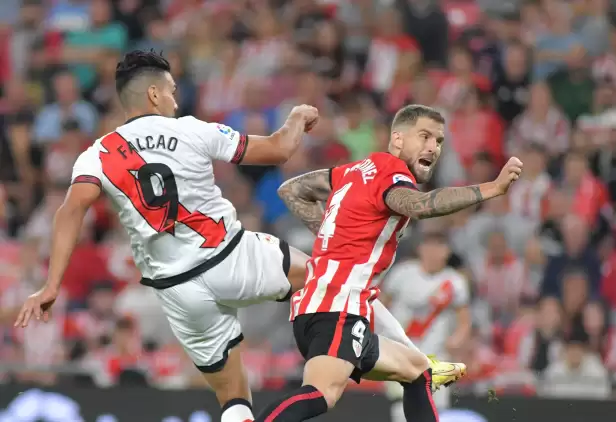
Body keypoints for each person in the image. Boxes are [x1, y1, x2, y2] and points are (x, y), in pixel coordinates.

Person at [12, 51, 458, 422]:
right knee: (329, 275)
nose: (175, 99)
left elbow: (70, 212)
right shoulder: (191, 129)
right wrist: (297, 118)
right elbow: (279, 149)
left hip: (178, 290)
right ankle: (414, 358)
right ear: (154, 93)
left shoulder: (97, 154)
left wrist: (51, 285)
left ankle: (388, 361)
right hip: (229, 256)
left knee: (233, 397)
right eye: (171, 90)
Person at [269, 104, 523, 421]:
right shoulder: (393, 174)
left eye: (439, 141)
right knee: (322, 394)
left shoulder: (355, 171)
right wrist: (492, 188)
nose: (433, 147)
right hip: (337, 309)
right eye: (424, 136)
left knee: (418, 372)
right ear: (398, 139)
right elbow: (418, 206)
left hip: (326, 306)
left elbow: (292, 190)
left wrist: (333, 236)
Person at [380, 231, 473, 422]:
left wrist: (457, 339)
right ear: (420, 248)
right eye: (429, 246)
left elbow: (464, 321)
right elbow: (381, 304)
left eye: (439, 246)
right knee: (400, 407)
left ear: (447, 251)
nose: (433, 252)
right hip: (402, 352)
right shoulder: (402, 273)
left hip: (436, 355)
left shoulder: (455, 282)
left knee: (436, 410)